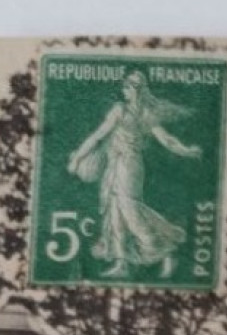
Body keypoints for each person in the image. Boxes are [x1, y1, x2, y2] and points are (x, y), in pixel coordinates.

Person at [68, 71, 202, 279]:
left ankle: (165, 250)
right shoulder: (119, 110)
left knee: (129, 209)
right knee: (114, 212)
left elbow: (166, 140)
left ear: (138, 90)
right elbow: (97, 136)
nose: (124, 90)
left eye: (128, 87)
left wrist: (186, 150)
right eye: (124, 86)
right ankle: (121, 263)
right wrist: (78, 157)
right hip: (114, 164)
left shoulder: (145, 114)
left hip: (130, 165)